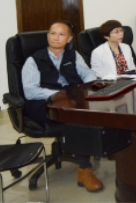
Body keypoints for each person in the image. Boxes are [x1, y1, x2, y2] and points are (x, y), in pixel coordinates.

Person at [22, 21, 103, 192]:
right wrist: (58, 94)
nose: (56, 38)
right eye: (52, 33)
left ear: (69, 39)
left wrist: (87, 86)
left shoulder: (73, 55)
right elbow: (30, 91)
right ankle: (84, 169)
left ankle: (105, 146)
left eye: (61, 34)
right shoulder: (33, 60)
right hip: (43, 103)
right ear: (47, 36)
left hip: (70, 99)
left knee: (98, 106)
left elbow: (87, 73)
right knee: (78, 117)